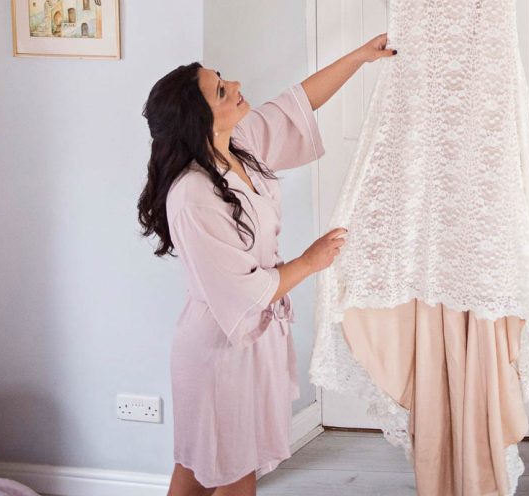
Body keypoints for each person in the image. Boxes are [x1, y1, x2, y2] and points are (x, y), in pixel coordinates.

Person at [137, 34, 396, 496]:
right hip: (219, 352)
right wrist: (311, 261)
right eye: (221, 90)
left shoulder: (236, 145)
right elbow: (242, 292)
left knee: (196, 468)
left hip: (246, 344)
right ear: (198, 121)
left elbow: (295, 105)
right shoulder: (192, 194)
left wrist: (359, 57)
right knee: (233, 475)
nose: (235, 84)